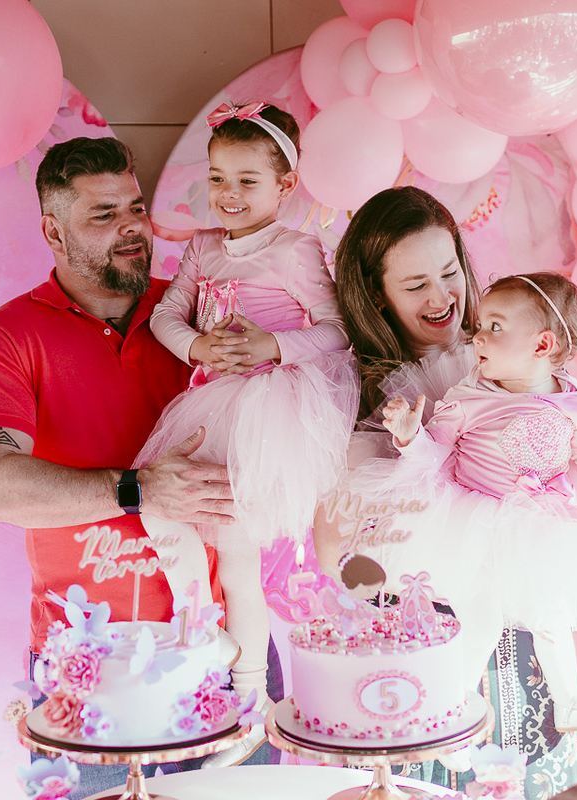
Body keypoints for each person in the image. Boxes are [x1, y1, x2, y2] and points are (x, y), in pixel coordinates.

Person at [0, 136, 280, 797]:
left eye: (135, 207)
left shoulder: (200, 319)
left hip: (226, 654)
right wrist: (137, 490)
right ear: (53, 231)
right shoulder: (1, 341)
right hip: (89, 667)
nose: (131, 228)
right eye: (103, 216)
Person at [315, 186, 577, 799]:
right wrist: (394, 594)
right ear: (374, 295)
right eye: (414, 286)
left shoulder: (517, 360)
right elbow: (339, 558)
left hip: (514, 620)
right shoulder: (352, 393)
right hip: (411, 632)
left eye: (449, 272)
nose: (442, 299)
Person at [135, 101, 358, 715]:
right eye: (218, 178)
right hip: (208, 402)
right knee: (161, 510)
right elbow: (165, 315)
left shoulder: (295, 250)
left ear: (285, 186)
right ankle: (201, 630)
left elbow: (337, 329)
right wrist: (196, 344)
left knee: (237, 554)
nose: (228, 195)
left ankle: (252, 695)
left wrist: (274, 345)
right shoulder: (204, 247)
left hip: (265, 411)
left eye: (246, 181)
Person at [373, 272, 577, 732]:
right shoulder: (469, 398)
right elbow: (435, 454)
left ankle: (572, 702)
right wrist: (409, 437)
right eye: (481, 324)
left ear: (542, 346)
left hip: (543, 523)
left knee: (551, 613)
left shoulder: (576, 404)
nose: (478, 335)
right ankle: (455, 714)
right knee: (480, 618)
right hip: (476, 521)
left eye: (495, 327)